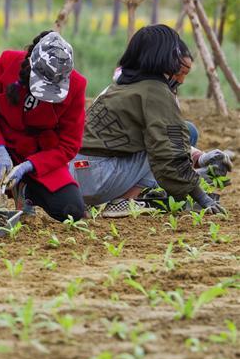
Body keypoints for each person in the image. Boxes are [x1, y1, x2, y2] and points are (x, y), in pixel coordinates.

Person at [70, 24, 228, 217]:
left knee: (174, 136)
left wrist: (200, 159)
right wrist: (203, 199)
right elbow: (169, 152)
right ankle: (123, 202)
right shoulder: (155, 91)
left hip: (75, 175)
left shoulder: (122, 85)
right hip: (96, 179)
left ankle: (133, 195)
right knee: (162, 146)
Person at [0, 30, 87, 222]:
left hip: (39, 154)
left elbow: (69, 145)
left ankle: (26, 190)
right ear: (31, 66)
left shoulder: (76, 86)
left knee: (71, 210)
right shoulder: (7, 63)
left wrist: (30, 165)